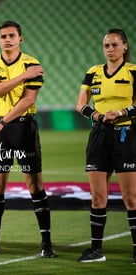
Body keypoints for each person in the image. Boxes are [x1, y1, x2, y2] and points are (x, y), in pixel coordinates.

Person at [0, 20, 55, 258]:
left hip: (22, 128)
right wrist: (23, 77)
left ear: (20, 39)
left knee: (34, 185)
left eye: (12, 35)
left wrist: (2, 123)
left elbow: (28, 100)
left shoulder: (33, 64)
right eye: (3, 36)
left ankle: (46, 244)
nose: (8, 39)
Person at [76, 28, 136, 264]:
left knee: (130, 197)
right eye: (106, 46)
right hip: (98, 136)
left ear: (124, 47)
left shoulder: (133, 71)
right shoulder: (93, 72)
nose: (110, 49)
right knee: (97, 197)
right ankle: (96, 250)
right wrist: (99, 116)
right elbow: (81, 104)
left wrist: (122, 112)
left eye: (114, 45)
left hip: (125, 135)